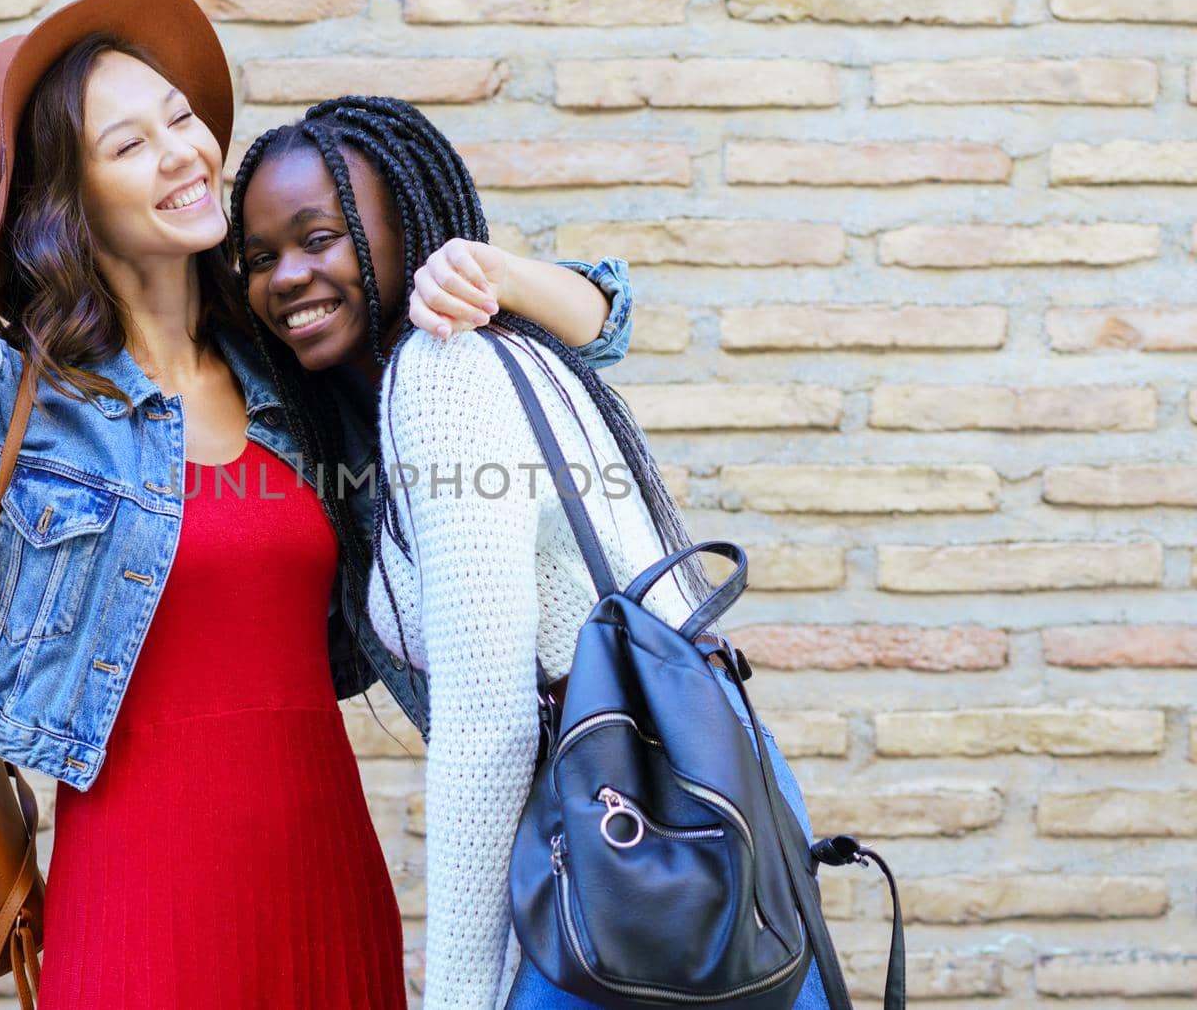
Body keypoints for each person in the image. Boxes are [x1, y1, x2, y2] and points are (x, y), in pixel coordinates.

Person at [0, 0, 638, 1008]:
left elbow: (594, 325)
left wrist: (494, 273)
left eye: (180, 118)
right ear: (67, 199)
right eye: (128, 145)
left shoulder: (295, 373)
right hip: (137, 895)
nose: (182, 151)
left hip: (324, 871)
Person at [230, 96, 832, 1009]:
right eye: (262, 256)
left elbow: (490, 724)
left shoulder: (442, 376)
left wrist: (461, 993)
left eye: (322, 237)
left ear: (411, 232)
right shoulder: (480, 361)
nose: (287, 277)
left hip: (620, 842)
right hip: (697, 809)